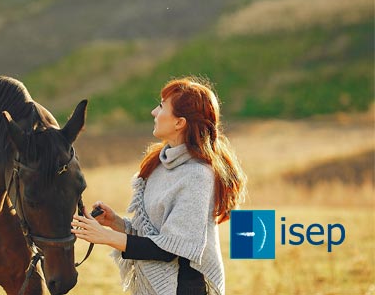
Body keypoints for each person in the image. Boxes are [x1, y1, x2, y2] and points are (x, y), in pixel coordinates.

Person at [71, 77, 247, 295]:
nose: (154, 112)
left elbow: (169, 249)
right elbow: (155, 234)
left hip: (183, 288)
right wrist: (116, 223)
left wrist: (106, 238)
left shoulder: (198, 176)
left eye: (162, 106)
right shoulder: (159, 163)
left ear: (179, 122)